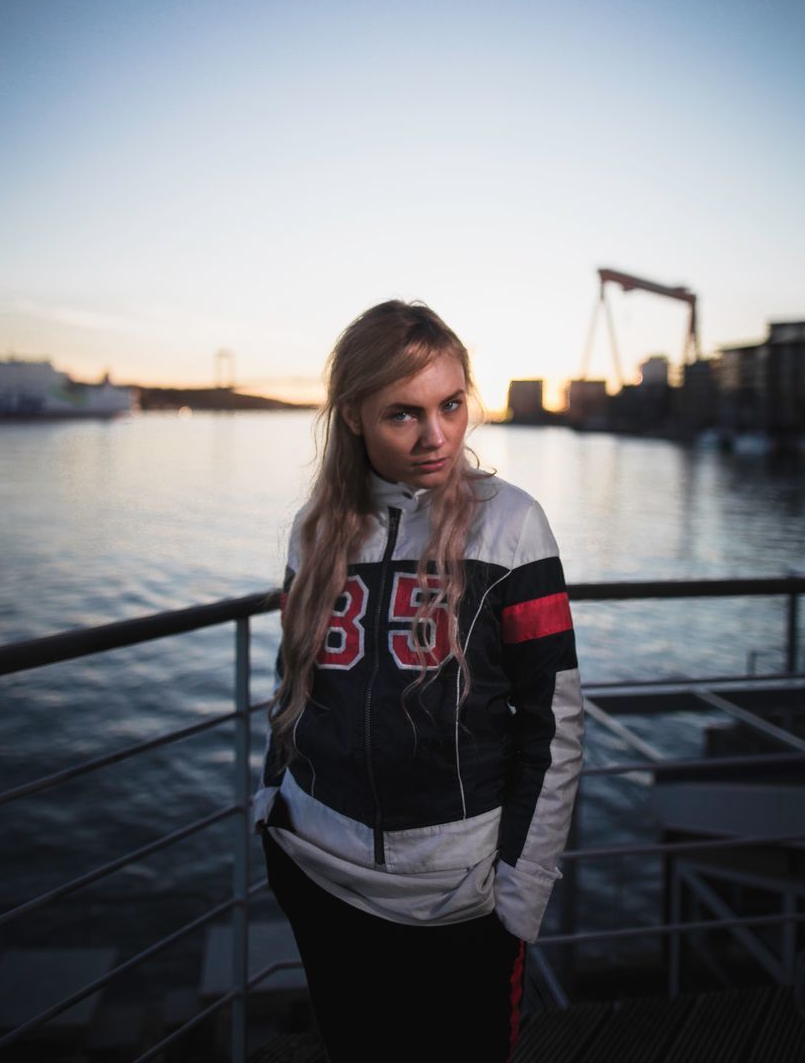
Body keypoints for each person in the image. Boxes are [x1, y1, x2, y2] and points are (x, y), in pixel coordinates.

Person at [254, 300, 584, 1062]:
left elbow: (553, 719)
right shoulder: (314, 529)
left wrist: (521, 892)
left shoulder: (512, 525)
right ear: (352, 419)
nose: (435, 436)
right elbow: (291, 686)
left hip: (458, 894)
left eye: (451, 405)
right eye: (403, 414)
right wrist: (271, 804)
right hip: (317, 869)